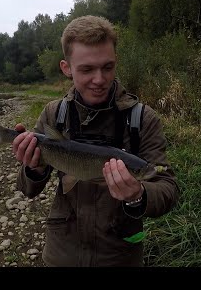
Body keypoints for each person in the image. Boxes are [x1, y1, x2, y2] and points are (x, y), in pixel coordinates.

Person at [12, 15, 180, 267]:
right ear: (66, 68)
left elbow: (168, 188)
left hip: (120, 257)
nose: (99, 79)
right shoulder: (53, 113)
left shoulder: (142, 118)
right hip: (61, 255)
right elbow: (27, 189)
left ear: (116, 62)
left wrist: (138, 195)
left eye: (107, 67)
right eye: (87, 69)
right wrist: (33, 169)